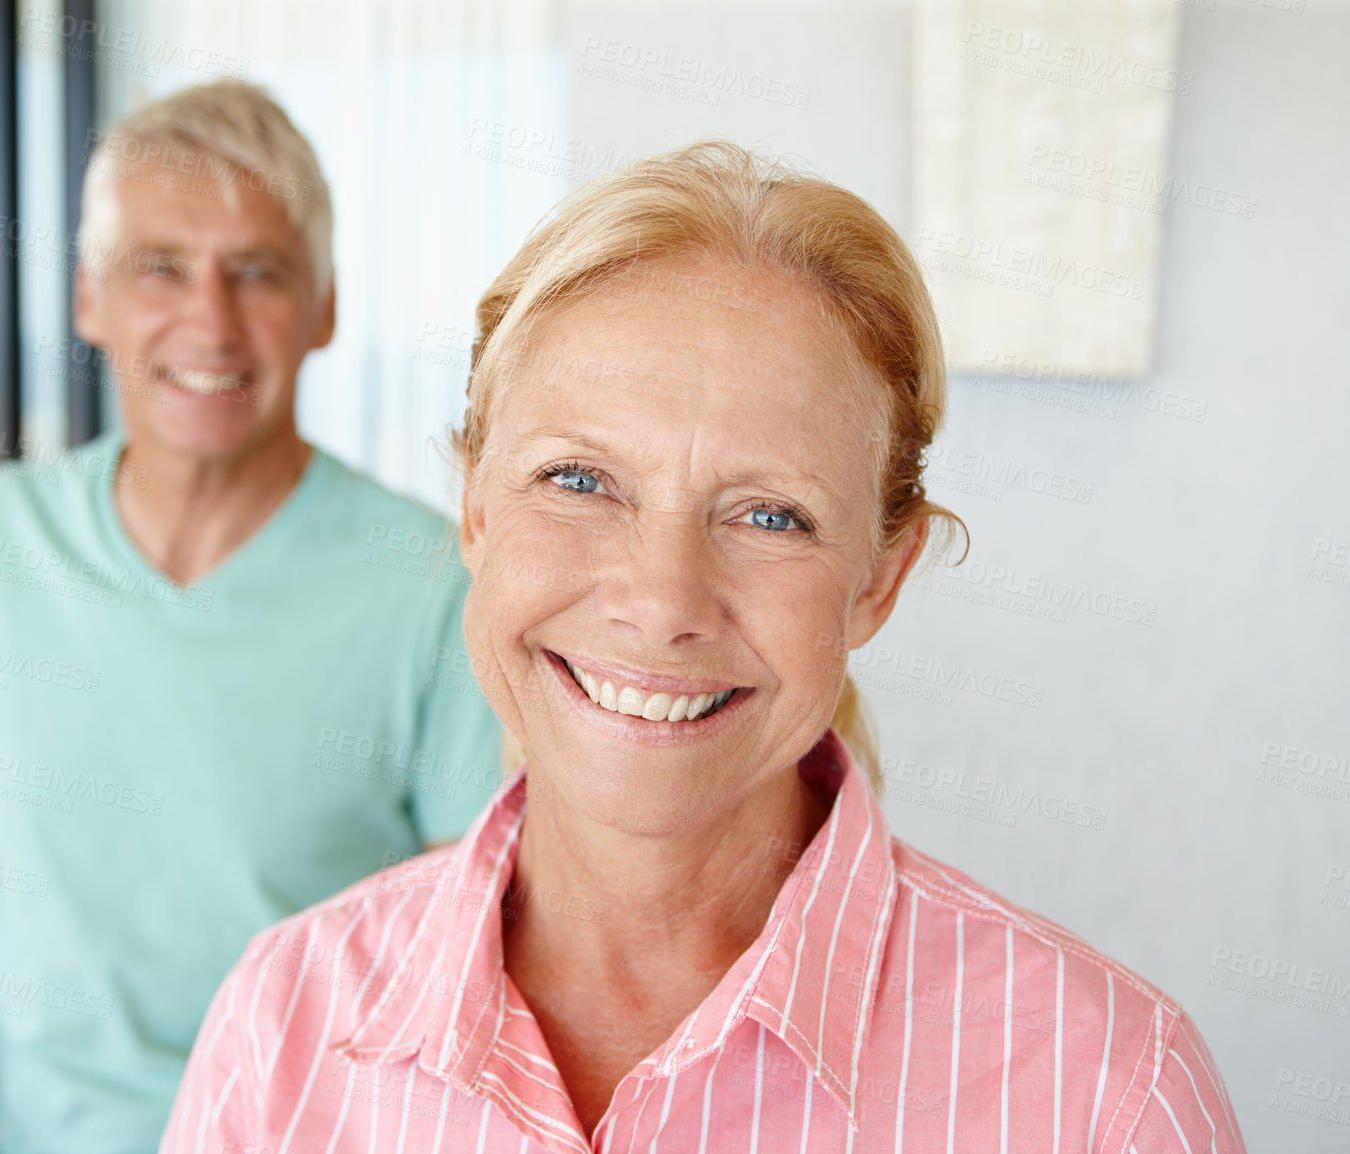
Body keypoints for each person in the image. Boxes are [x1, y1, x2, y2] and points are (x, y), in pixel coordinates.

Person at [159, 141, 1246, 1152]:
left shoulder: (1106, 1091)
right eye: (578, 480)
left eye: (769, 514)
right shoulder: (285, 1022)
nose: (660, 599)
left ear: (878, 576)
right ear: (475, 509)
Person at [0, 81, 502, 1154]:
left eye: (258, 272)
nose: (210, 320)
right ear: (90, 298)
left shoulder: (433, 580)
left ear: (324, 306)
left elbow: (475, 953)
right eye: (161, 267)